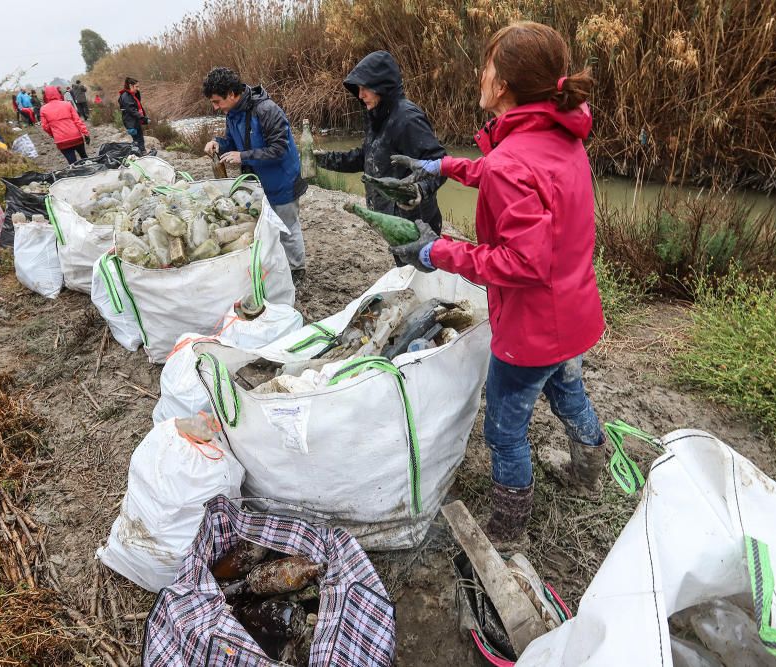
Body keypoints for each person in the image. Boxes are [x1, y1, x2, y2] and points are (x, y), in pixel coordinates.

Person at [386, 22, 607, 546]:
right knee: (568, 390)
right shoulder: (557, 135)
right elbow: (505, 173)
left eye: (486, 67)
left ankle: (508, 533)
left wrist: (436, 251)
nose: (480, 76)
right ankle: (588, 474)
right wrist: (440, 166)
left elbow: (521, 261)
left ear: (503, 84)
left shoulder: (514, 159)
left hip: (531, 331)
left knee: (505, 431)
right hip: (573, 314)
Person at [314, 51, 446, 234]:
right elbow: (367, 158)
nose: (360, 95)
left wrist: (420, 189)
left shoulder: (407, 118)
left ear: (381, 86)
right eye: (358, 89)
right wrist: (324, 159)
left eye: (365, 88)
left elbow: (441, 163)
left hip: (416, 223)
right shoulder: (378, 116)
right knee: (402, 262)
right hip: (392, 220)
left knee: (415, 263)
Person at [202, 67, 307, 281]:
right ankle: (278, 265)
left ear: (231, 94)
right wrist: (217, 143)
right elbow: (232, 142)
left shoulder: (267, 110)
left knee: (288, 228)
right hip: (259, 182)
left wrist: (243, 157)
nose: (215, 107)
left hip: (283, 180)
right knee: (267, 226)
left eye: (216, 102)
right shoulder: (232, 113)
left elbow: (279, 149)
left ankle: (297, 269)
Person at [40, 85, 91, 164]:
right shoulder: (67, 104)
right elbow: (77, 120)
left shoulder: (43, 109)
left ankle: (77, 175)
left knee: (72, 164)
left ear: (45, 95)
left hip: (61, 140)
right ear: (57, 93)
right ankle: (92, 173)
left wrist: (53, 134)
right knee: (84, 157)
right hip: (76, 136)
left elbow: (45, 127)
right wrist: (85, 133)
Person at [119, 77, 149, 153]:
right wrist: (143, 117)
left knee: (140, 138)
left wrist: (137, 92)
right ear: (130, 86)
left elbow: (138, 102)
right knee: (137, 140)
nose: (138, 89)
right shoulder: (126, 96)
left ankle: (142, 152)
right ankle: (138, 153)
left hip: (135, 120)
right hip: (131, 122)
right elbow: (131, 110)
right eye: (136, 87)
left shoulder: (132, 94)